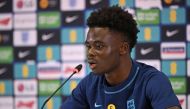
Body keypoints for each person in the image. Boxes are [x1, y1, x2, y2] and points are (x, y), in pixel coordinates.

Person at [61, 5, 181, 109]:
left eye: (98, 46)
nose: (90, 52)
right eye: (88, 46)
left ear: (123, 48)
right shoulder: (88, 85)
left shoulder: (152, 81)